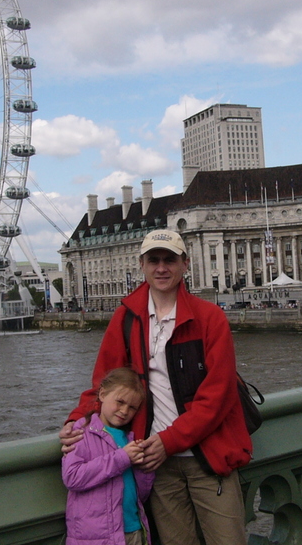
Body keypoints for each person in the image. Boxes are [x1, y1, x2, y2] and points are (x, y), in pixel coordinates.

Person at [60, 229, 252, 545]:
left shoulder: (209, 318)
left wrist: (170, 440)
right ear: (142, 265)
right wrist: (76, 422)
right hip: (156, 465)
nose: (161, 268)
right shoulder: (126, 318)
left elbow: (217, 396)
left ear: (184, 264)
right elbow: (103, 385)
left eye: (169, 260)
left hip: (209, 458)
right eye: (154, 260)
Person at [62, 367, 154, 545]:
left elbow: (140, 493)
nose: (124, 411)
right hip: (97, 537)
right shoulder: (80, 433)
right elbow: (72, 477)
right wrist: (122, 458)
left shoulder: (130, 438)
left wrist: (144, 467)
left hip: (133, 530)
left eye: (132, 407)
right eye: (120, 402)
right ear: (102, 394)